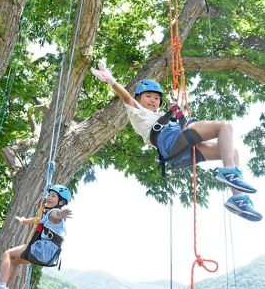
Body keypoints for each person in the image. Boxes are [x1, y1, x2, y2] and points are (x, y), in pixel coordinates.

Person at [91, 62, 262, 222]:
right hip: (170, 141)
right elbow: (127, 98)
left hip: (178, 151)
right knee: (224, 126)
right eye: (148, 96)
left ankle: (238, 199)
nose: (152, 100)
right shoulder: (138, 113)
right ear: (139, 98)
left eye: (156, 98)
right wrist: (111, 80)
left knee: (233, 152)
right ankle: (229, 172)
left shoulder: (160, 116)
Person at [0, 185, 72, 289]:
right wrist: (24, 221)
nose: (49, 197)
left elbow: (56, 215)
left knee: (8, 254)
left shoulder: (54, 213)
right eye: (49, 195)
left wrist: (61, 214)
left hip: (42, 249)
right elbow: (37, 218)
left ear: (60, 201)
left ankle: (0, 288)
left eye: (53, 196)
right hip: (48, 255)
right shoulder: (47, 215)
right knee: (15, 262)